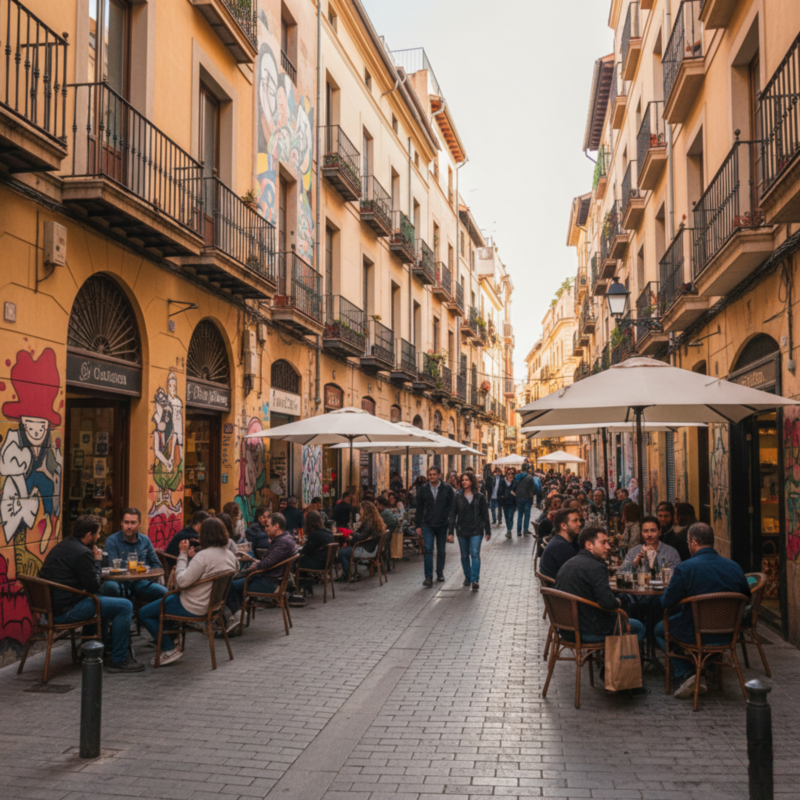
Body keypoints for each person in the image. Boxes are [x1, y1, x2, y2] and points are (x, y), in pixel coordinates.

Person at [655, 522, 751, 699]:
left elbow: (666, 603)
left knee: (660, 630)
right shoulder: (734, 567)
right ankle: (706, 666)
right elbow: (746, 597)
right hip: (728, 633)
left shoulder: (685, 568)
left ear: (692, 543)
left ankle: (687, 673)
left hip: (694, 632)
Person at [39, 515, 143, 673]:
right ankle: (119, 659)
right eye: (98, 533)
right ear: (89, 535)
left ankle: (94, 651)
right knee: (125, 606)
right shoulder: (82, 553)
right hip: (65, 611)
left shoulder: (64, 545)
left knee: (104, 604)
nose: (99, 536)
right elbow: (94, 586)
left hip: (51, 608)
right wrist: (97, 560)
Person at [140, 517, 238, 666]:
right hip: (214, 607)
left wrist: (183, 555)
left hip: (193, 606)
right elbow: (232, 571)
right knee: (165, 601)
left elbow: (181, 581)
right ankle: (173, 637)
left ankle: (169, 647)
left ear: (204, 535)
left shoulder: (203, 557)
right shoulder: (230, 555)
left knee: (144, 613)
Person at [555, 527, 646, 646]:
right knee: (639, 627)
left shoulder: (569, 563)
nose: (608, 546)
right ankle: (618, 662)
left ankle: (608, 659)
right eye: (603, 543)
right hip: (589, 631)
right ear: (589, 545)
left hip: (566, 630)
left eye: (608, 542)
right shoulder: (596, 567)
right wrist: (620, 600)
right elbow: (607, 603)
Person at [225, 513, 298, 629]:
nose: (265, 529)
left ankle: (235, 618)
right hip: (269, 578)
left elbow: (265, 564)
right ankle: (237, 616)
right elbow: (268, 562)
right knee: (235, 582)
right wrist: (253, 560)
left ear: (276, 526)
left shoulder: (283, 542)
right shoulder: (284, 539)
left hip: (269, 582)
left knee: (231, 586)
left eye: (267, 526)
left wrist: (255, 565)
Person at [102, 508, 167, 605]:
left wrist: (147, 572)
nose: (129, 526)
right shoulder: (112, 540)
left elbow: (156, 564)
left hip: (140, 582)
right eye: (126, 522)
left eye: (133, 523)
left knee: (164, 593)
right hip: (118, 582)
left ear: (139, 524)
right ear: (121, 523)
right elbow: (113, 567)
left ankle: (144, 615)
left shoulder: (145, 540)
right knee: (111, 587)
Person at [448, 472, 491, 591]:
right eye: (462, 480)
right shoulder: (457, 496)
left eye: (466, 480)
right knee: (464, 555)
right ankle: (468, 577)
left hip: (476, 530)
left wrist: (488, 531)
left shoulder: (480, 496)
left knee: (475, 554)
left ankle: (474, 580)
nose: (464, 482)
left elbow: (485, 514)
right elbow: (452, 514)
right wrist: (450, 532)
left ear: (471, 481)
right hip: (462, 530)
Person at [415, 466, 456, 587]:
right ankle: (428, 577)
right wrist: (418, 525)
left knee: (441, 550)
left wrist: (451, 528)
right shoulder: (423, 489)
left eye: (434, 474)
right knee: (428, 550)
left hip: (442, 524)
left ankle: (440, 572)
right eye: (430, 474)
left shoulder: (447, 488)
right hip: (427, 524)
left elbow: (452, 508)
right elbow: (419, 508)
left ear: (439, 475)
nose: (431, 476)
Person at [339, 501, 385, 580]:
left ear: (365, 510)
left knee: (342, 552)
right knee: (346, 550)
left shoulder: (369, 522)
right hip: (371, 548)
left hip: (367, 549)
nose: (360, 511)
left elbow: (362, 536)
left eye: (361, 509)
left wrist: (350, 534)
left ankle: (349, 575)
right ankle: (351, 573)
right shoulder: (373, 520)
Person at [297, 510, 335, 595]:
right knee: (301, 560)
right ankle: (307, 589)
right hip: (326, 562)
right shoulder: (328, 532)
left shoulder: (315, 535)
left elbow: (305, 550)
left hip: (319, 563)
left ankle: (299, 589)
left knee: (296, 562)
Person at [539, 508, 581, 580]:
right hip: (563, 590)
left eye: (579, 520)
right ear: (564, 525)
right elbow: (577, 573)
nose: (579, 524)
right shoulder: (561, 547)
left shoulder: (559, 542)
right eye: (575, 521)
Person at [513, 464, 536, 537]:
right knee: (527, 515)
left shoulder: (517, 477)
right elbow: (533, 489)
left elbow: (514, 487)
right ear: (527, 470)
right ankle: (525, 530)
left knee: (520, 515)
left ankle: (518, 531)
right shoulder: (530, 478)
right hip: (527, 498)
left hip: (519, 497)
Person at [497, 468, 517, 539]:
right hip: (505, 502)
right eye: (509, 473)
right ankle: (509, 530)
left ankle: (509, 530)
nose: (510, 475)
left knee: (510, 516)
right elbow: (499, 491)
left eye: (512, 474)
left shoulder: (515, 482)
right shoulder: (502, 481)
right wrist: (501, 499)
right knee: (507, 517)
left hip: (512, 503)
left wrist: (514, 494)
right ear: (506, 474)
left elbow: (517, 492)